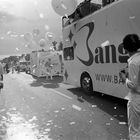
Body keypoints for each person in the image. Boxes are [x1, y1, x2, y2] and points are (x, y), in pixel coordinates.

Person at [120, 34, 140, 140]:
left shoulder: (134, 63)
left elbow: (133, 86)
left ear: (126, 48)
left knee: (135, 132)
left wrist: (125, 79)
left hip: (136, 100)